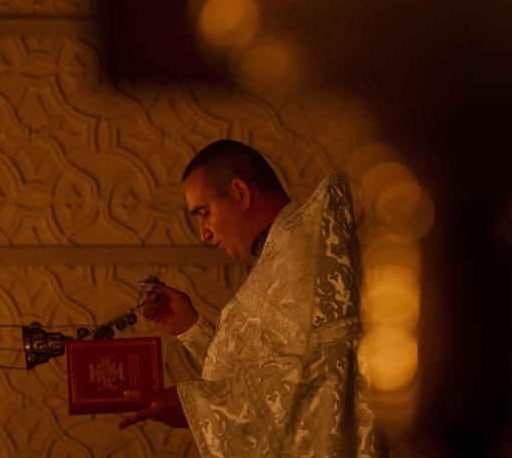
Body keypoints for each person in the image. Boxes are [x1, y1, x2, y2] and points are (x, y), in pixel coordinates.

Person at [119, 139, 383, 458]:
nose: (203, 233)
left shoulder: (306, 258)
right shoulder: (279, 258)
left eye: (204, 213)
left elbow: (319, 387)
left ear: (241, 194)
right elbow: (266, 374)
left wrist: (198, 407)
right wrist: (190, 328)